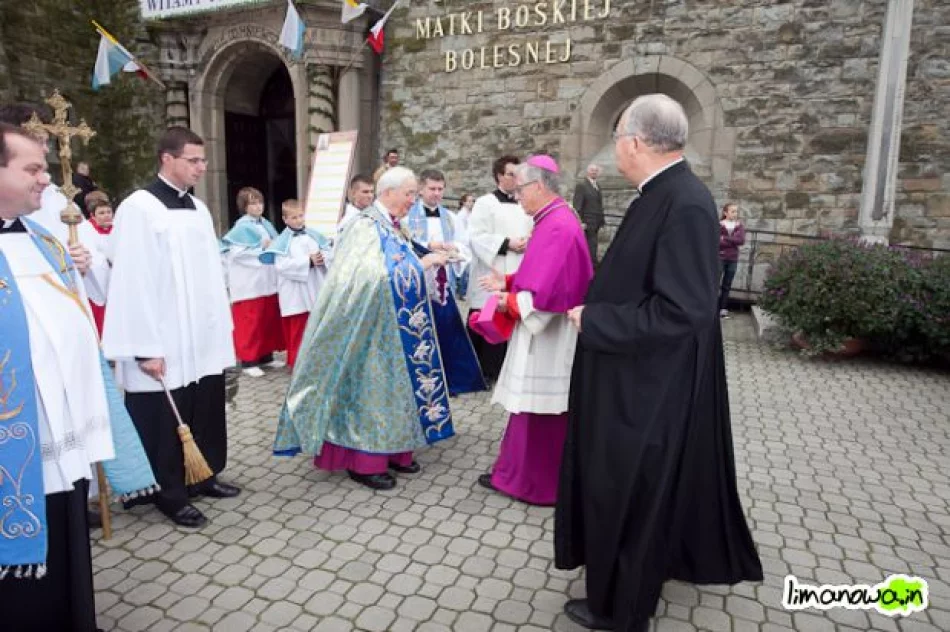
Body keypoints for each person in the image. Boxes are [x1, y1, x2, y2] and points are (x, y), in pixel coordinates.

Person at [555, 95, 763, 632]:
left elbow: (684, 310)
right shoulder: (663, 193)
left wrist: (595, 322)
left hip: (648, 387)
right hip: (638, 376)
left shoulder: (685, 202)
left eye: (619, 135)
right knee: (634, 492)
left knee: (633, 491)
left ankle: (622, 612)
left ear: (635, 143)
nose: (617, 147)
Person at [274, 167, 456, 491]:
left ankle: (397, 451)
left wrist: (431, 255)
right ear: (388, 193)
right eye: (409, 194)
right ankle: (364, 462)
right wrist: (421, 265)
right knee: (372, 392)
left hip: (397, 326)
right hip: (369, 330)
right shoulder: (364, 226)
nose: (414, 201)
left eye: (415, 194)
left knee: (399, 390)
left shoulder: (392, 225)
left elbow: (400, 259)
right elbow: (368, 278)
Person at [0, 124, 112, 631]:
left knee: (67, 547)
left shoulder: (45, 239)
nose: (47, 179)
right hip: (14, 448)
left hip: (62, 438)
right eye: (32, 169)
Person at [103, 126, 240, 529]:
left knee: (204, 405)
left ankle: (202, 476)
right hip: (162, 337)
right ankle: (169, 493)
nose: (202, 167)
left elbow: (213, 273)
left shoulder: (198, 209)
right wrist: (145, 346)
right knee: (164, 420)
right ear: (167, 158)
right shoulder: (138, 207)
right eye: (193, 160)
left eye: (203, 160)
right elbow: (132, 280)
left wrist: (221, 327)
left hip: (199, 336)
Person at [476, 155, 592, 506]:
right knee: (527, 407)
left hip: (550, 338)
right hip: (545, 334)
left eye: (521, 188)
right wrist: (508, 280)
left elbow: (547, 294)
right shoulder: (550, 219)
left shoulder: (558, 225)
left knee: (540, 409)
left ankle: (534, 484)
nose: (517, 195)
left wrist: (506, 302)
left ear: (539, 186)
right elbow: (541, 271)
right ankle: (513, 472)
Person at [406, 169, 485, 395]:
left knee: (447, 334)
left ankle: (451, 382)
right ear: (421, 189)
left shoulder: (450, 217)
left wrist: (453, 249)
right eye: (432, 188)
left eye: (440, 189)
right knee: (420, 334)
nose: (437, 194)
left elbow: (464, 245)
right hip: (417, 285)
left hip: (442, 285)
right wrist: (428, 248)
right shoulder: (406, 216)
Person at [467, 155, 533, 383]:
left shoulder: (525, 203)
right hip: (492, 268)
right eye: (510, 174)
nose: (516, 179)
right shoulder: (486, 203)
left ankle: (509, 369)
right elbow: (476, 236)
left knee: (512, 314)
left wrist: (528, 242)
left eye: (518, 174)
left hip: (518, 268)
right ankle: (485, 371)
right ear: (498, 176)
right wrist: (507, 244)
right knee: (489, 317)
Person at [260, 199, 333, 369]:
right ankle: (297, 365)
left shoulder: (313, 235)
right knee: (298, 331)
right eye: (293, 217)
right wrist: (308, 261)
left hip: (315, 287)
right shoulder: (281, 241)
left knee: (315, 327)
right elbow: (282, 266)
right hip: (296, 294)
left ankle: (316, 364)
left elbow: (330, 252)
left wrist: (323, 257)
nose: (299, 220)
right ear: (285, 219)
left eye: (300, 216)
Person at [220, 187, 286, 377]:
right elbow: (237, 254)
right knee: (250, 321)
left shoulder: (265, 224)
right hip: (249, 283)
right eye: (253, 203)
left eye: (260, 202)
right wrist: (261, 248)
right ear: (244, 206)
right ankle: (248, 360)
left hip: (266, 281)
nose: (258, 207)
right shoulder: (241, 228)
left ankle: (266, 355)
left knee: (266, 319)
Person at [84, 197, 114, 336]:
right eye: (101, 213)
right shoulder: (86, 230)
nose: (107, 215)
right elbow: (91, 255)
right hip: (96, 280)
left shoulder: (118, 228)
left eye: (109, 212)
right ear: (92, 216)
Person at [572, 163, 604, 263]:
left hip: (596, 222)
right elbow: (577, 205)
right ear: (587, 171)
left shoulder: (597, 185)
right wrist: (580, 222)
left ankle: (591, 266)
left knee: (593, 246)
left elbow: (599, 204)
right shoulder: (581, 186)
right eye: (592, 170)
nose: (594, 172)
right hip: (586, 223)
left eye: (596, 170)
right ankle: (591, 267)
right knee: (590, 247)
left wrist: (601, 220)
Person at [718, 202, 745, 318]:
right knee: (714, 283)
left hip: (733, 259)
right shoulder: (719, 225)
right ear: (725, 213)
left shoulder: (739, 226)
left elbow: (741, 241)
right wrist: (732, 240)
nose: (735, 214)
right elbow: (717, 242)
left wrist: (725, 238)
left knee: (727, 285)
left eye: (736, 211)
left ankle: (723, 309)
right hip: (720, 257)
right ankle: (711, 308)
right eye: (732, 211)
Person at [454, 193, 475, 298]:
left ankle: (465, 290)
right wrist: (466, 243)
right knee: (465, 266)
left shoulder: (470, 214)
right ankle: (462, 291)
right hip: (462, 244)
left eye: (472, 201)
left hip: (469, 243)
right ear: (464, 202)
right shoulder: (461, 215)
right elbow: (460, 232)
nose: (471, 203)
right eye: (469, 201)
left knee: (469, 267)